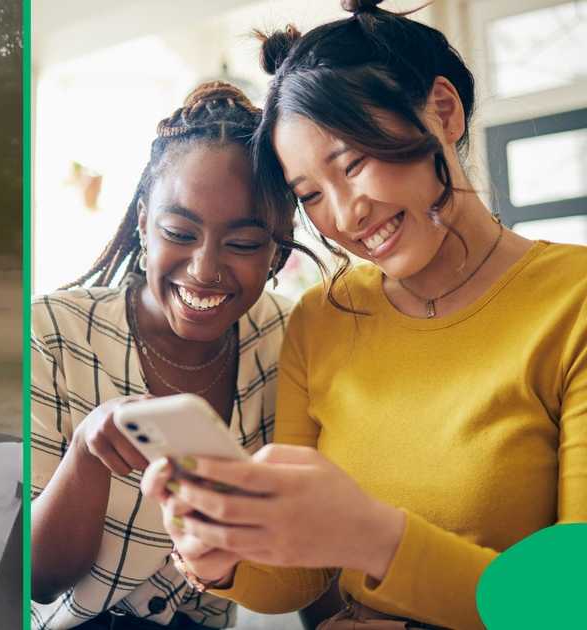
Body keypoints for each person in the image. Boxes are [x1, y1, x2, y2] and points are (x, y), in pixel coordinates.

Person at [140, 3, 587, 629]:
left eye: (352, 163)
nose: (346, 216)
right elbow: (295, 579)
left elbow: (568, 599)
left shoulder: (574, 302)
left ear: (443, 109)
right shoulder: (323, 317)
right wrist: (220, 558)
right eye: (311, 195)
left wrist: (376, 538)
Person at [31, 82, 310, 629]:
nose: (204, 269)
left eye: (245, 244)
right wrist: (87, 451)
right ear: (141, 223)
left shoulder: (286, 335)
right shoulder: (53, 331)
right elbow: (38, 579)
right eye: (179, 232)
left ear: (277, 248)